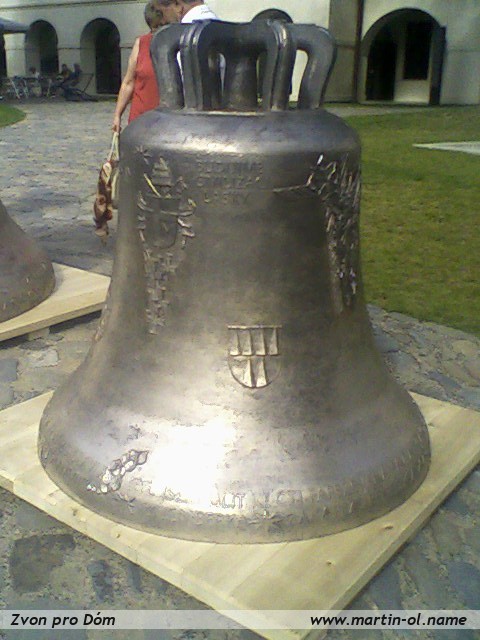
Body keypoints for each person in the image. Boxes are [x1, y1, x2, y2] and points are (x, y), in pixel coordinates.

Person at [112, 0, 179, 132]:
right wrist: (117, 115)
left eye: (163, 26)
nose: (159, 32)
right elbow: (128, 82)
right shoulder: (141, 43)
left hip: (168, 119)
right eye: (155, 27)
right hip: (140, 118)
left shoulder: (176, 43)